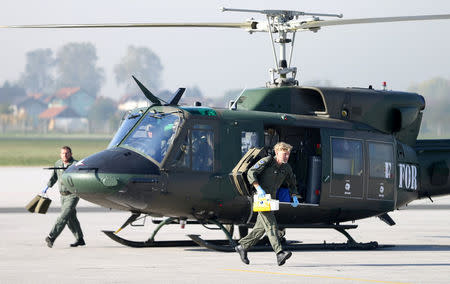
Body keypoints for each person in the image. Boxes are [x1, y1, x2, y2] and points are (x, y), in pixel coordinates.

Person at [235, 142, 300, 266]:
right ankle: (279, 253)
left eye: (288, 154)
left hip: (271, 199)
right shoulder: (267, 161)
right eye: (284, 154)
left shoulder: (286, 168)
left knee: (261, 227)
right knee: (271, 224)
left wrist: (294, 196)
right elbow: (251, 173)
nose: (286, 157)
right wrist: (258, 188)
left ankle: (243, 246)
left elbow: (292, 183)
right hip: (260, 197)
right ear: (277, 153)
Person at [45, 146, 85, 248]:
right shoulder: (58, 163)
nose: (65, 155)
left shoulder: (76, 164)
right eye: (63, 153)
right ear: (60, 154)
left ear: (71, 154)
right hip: (62, 196)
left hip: (73, 195)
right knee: (71, 219)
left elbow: (82, 177)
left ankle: (51, 237)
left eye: (67, 153)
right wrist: (47, 186)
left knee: (63, 217)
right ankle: (80, 239)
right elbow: (54, 176)